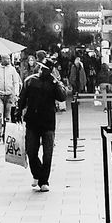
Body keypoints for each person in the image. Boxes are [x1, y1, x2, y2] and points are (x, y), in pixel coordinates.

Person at [17, 50, 66, 191]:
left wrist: (55, 82)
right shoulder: (30, 81)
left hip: (48, 122)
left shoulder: (53, 82)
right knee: (31, 152)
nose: (43, 70)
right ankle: (37, 174)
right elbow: (22, 99)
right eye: (42, 68)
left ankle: (44, 180)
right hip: (32, 122)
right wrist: (18, 112)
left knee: (48, 153)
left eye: (46, 69)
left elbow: (62, 97)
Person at [0, 54, 21, 146]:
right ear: (2, 59)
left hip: (9, 95)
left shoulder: (12, 70)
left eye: (9, 59)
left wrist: (16, 94)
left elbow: (16, 82)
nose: (9, 60)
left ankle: (6, 137)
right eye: (7, 59)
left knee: (7, 117)